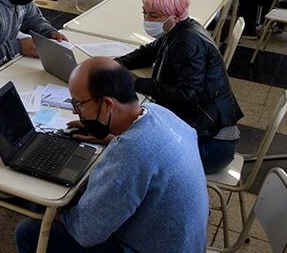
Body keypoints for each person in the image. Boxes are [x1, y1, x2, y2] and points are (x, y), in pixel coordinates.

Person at [14, 58, 209, 253]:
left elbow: (86, 233)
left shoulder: (130, 152)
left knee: (30, 231)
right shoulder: (158, 113)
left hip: (149, 247)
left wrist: (54, 213)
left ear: (107, 104)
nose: (77, 112)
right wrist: (110, 137)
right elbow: (146, 153)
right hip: (181, 242)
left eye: (79, 104)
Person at [113, 0, 243, 173]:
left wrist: (135, 83)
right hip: (201, 131)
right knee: (128, 143)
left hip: (212, 145)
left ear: (174, 15)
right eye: (145, 13)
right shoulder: (178, 28)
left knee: (131, 155)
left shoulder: (187, 43)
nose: (147, 19)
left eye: (154, 15)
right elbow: (148, 52)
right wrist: (116, 64)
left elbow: (187, 97)